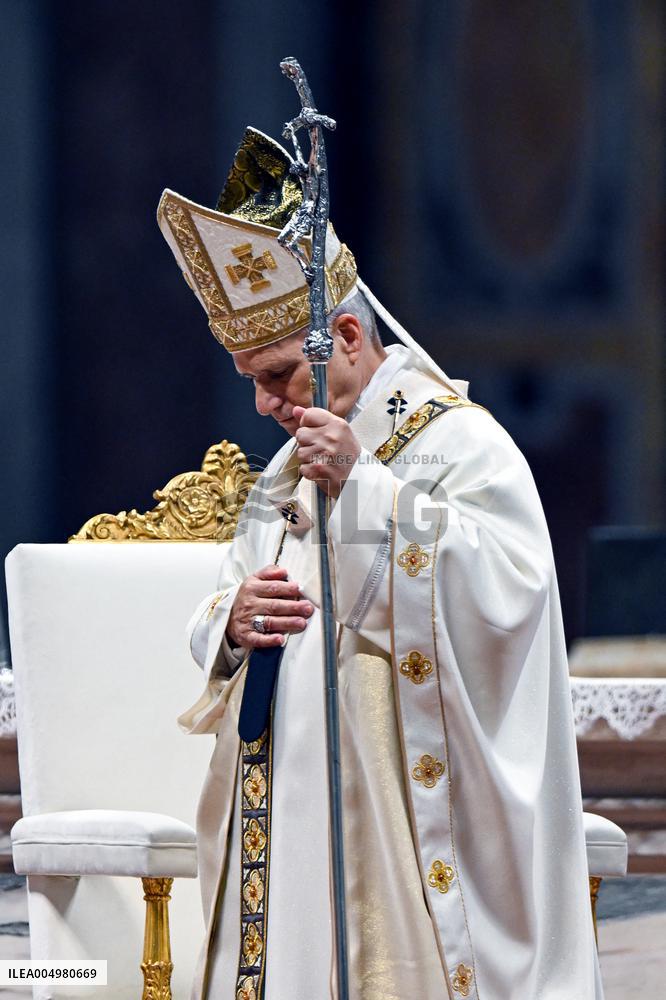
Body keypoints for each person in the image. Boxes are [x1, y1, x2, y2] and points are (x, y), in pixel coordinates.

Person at [158, 127, 603, 1000]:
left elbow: (514, 596)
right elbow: (223, 600)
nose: (264, 403)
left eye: (282, 374)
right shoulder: (283, 472)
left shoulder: (463, 444)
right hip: (282, 805)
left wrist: (367, 489)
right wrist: (233, 620)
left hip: (399, 810)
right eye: (249, 379)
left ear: (349, 336)